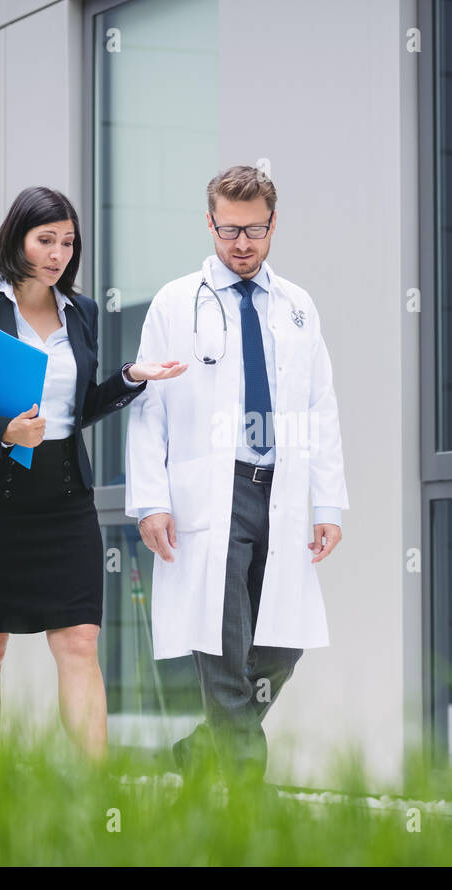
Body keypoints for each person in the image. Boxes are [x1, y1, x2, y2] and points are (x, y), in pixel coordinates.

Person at [0, 186, 186, 759]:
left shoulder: (83, 311)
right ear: (16, 237)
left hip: (65, 499)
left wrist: (130, 378)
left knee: (78, 641)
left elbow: (80, 407)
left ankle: (93, 791)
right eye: (45, 239)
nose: (58, 253)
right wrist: (2, 430)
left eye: (68, 242)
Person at [125, 165, 349, 789]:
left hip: (278, 489)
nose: (242, 243)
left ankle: (203, 748)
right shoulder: (176, 302)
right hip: (210, 493)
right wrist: (151, 501)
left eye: (254, 230)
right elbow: (149, 410)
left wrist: (327, 504)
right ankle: (249, 794)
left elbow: (321, 408)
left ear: (274, 224)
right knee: (223, 647)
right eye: (229, 230)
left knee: (282, 643)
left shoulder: (298, 307)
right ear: (210, 224)